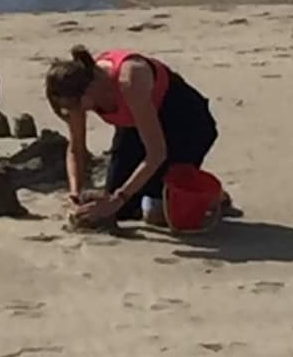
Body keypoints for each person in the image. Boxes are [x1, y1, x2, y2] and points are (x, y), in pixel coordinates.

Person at [45, 46, 220, 226]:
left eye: (75, 106)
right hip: (134, 125)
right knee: (121, 211)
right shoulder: (76, 93)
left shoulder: (130, 80)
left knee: (156, 211)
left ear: (90, 88)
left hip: (185, 122)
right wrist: (75, 192)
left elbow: (156, 154)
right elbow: (76, 148)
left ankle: (214, 198)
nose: (75, 112)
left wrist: (119, 198)